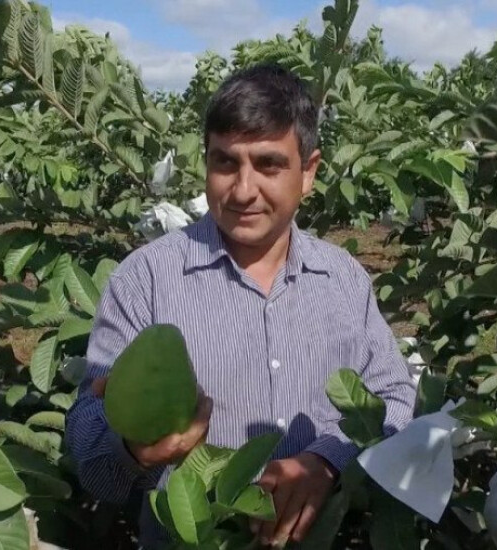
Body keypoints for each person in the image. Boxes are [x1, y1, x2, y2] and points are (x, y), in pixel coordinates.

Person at [65, 63, 416, 548]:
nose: (243, 189)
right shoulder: (145, 279)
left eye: (269, 164)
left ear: (308, 172)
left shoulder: (344, 280)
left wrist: (327, 459)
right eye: (226, 162)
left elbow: (394, 395)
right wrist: (132, 448)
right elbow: (88, 446)